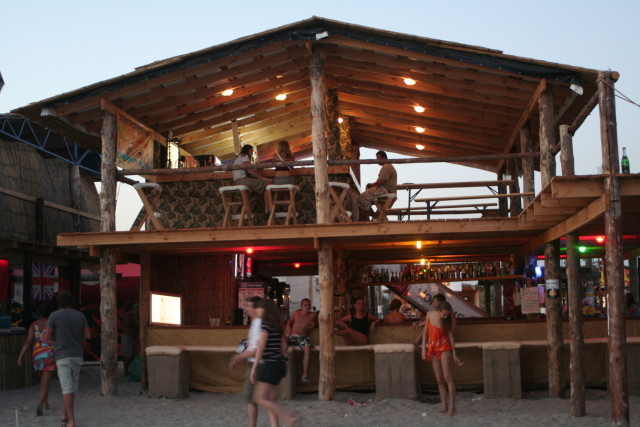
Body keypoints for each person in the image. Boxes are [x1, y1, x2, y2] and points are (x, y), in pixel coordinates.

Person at [43, 291, 91, 427]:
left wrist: (56, 334)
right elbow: (88, 336)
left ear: (59, 302)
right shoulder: (80, 315)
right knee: (72, 388)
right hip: (77, 355)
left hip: (62, 355)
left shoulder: (54, 316)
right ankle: (65, 414)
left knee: (66, 388)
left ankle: (71, 420)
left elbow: (46, 337)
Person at [250, 298, 299, 427]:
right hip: (280, 365)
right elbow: (284, 347)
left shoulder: (265, 326)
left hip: (270, 365)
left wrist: (254, 368)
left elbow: (260, 347)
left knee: (259, 398)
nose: (256, 310)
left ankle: (289, 416)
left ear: (265, 310)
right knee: (271, 400)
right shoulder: (277, 327)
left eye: (259, 307)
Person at [229, 297, 276, 427]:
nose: (246, 308)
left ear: (256, 308)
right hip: (261, 364)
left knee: (252, 398)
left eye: (249, 306)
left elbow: (257, 349)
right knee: (266, 400)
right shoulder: (257, 322)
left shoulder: (259, 324)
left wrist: (239, 357)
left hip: (257, 364)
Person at [422, 301, 462, 416]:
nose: (445, 317)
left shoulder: (446, 320)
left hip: (445, 346)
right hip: (433, 348)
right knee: (439, 379)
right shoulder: (429, 314)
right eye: (444, 315)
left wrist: (454, 354)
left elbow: (450, 336)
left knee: (447, 377)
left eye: (447, 315)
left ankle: (453, 407)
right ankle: (444, 406)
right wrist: (423, 350)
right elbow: (425, 332)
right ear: (438, 311)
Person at [17, 302, 56, 416]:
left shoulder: (34, 325)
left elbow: (28, 341)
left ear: (39, 313)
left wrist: (20, 355)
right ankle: (41, 402)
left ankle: (46, 402)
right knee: (46, 380)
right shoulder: (52, 324)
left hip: (37, 354)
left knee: (43, 379)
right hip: (49, 353)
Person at [356, 150, 397, 221]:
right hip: (386, 190)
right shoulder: (388, 166)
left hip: (386, 190)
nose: (377, 161)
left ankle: (365, 219)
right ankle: (373, 216)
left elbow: (381, 181)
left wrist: (370, 185)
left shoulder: (387, 166)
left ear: (384, 158)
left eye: (378, 159)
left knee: (362, 198)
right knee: (364, 198)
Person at [286, 298, 318, 383]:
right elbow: (289, 321)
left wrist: (314, 323)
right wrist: (288, 326)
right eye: (305, 305)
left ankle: (305, 375)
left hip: (302, 337)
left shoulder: (313, 315)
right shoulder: (296, 313)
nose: (307, 307)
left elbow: (319, 321)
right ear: (301, 306)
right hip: (292, 336)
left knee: (307, 347)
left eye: (309, 305)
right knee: (282, 341)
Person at [233, 144, 272, 212]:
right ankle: (267, 210)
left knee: (258, 193)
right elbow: (250, 171)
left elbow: (249, 169)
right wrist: (264, 179)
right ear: (248, 150)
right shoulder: (245, 156)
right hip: (243, 180)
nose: (252, 153)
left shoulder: (239, 157)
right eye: (251, 151)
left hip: (237, 181)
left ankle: (244, 206)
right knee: (267, 184)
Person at [121, 303, 139, 377]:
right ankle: (126, 371)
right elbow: (126, 325)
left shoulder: (137, 315)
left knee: (132, 354)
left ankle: (130, 370)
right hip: (127, 336)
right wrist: (135, 320)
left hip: (134, 336)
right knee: (127, 355)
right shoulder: (128, 315)